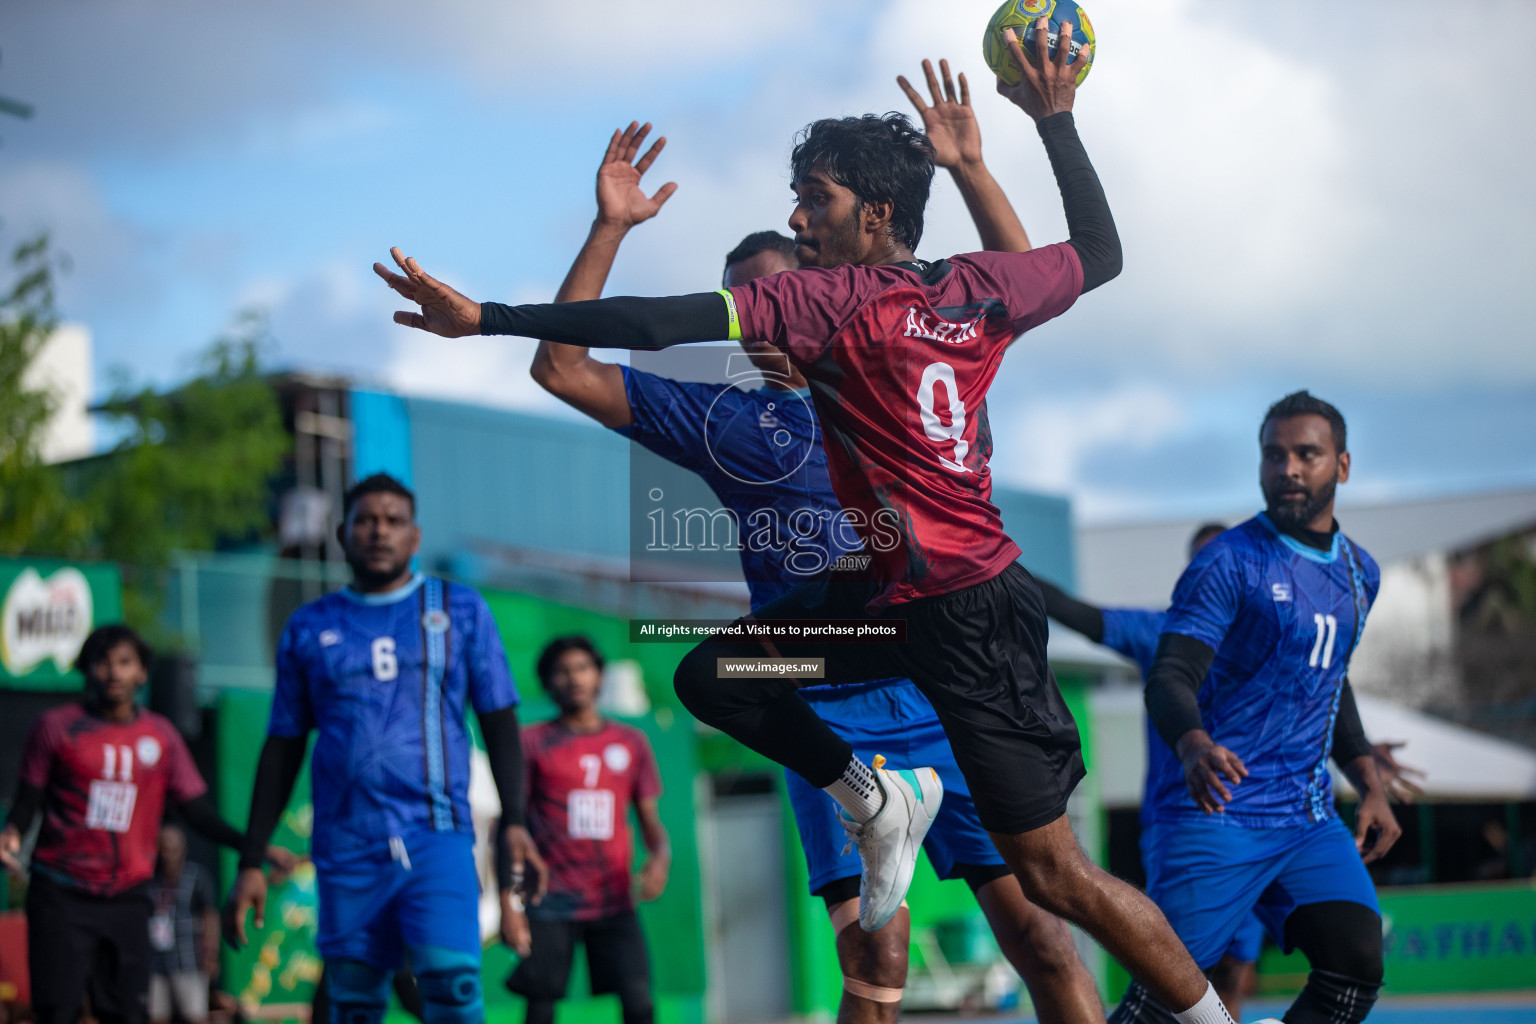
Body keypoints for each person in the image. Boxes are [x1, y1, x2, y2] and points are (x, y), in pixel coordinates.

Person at [377, 25, 1244, 1024]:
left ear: (858, 228)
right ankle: (871, 799)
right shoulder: (861, 344)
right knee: (749, 742)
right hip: (866, 642)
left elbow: (663, 320)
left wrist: (486, 313)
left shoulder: (836, 303)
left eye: (812, 208)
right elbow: (1077, 258)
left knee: (1051, 906)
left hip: (952, 628)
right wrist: (1041, 126)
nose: (780, 258)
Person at [526, 61, 1099, 1024]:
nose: (755, 321)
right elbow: (559, 366)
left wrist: (970, 169)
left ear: (830, 285)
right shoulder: (720, 421)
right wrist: (610, 229)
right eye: (737, 304)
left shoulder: (922, 356)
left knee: (1043, 932)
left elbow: (1023, 282)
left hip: (940, 672)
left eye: (769, 292)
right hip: (826, 703)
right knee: (878, 966)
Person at [1109, 391, 1403, 1024]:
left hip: (1307, 817)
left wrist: (1369, 785)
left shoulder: (1361, 573)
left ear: (1342, 466)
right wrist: (1193, 745)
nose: (1288, 468)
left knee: (1356, 966)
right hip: (1219, 813)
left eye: (1307, 454)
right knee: (1159, 1005)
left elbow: (1331, 683)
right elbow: (1169, 675)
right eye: (1275, 455)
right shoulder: (1227, 561)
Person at [223, 473, 546, 1024]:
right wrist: (251, 859)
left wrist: (515, 820)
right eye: (366, 520)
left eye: (393, 521)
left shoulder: (461, 611)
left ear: (415, 537)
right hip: (346, 843)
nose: (379, 531)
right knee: (352, 1002)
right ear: (343, 533)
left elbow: (498, 719)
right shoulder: (308, 626)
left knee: (453, 986)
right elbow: (281, 748)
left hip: (437, 835)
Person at [0, 625, 288, 1024]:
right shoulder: (56, 727)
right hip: (61, 893)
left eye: (124, 663)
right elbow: (26, 803)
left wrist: (253, 848)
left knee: (128, 1013)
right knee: (58, 1011)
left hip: (129, 896)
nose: (114, 673)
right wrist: (10, 833)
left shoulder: (161, 736)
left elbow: (197, 813)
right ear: (87, 668)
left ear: (141, 673)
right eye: (103, 662)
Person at [498, 637, 668, 1024]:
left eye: (582, 668)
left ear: (598, 676)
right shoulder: (532, 742)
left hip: (614, 900)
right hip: (550, 898)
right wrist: (508, 900)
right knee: (540, 1007)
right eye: (562, 670)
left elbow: (651, 822)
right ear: (547, 683)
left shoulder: (630, 742)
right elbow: (511, 825)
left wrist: (660, 857)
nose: (573, 678)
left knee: (639, 1004)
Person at [147, 825, 218, 1024]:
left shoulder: (197, 876)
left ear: (183, 849)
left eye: (173, 849)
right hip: (156, 961)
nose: (168, 855)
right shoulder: (150, 878)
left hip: (189, 960)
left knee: (194, 1015)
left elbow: (209, 915)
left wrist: (211, 953)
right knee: (157, 1016)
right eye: (164, 849)